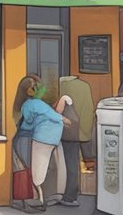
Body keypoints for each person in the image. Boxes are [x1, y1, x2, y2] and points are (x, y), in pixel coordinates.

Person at [14, 75, 70, 207]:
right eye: (39, 86)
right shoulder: (35, 104)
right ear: (30, 90)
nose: (43, 89)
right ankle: (38, 197)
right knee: (38, 169)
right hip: (37, 139)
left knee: (37, 167)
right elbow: (51, 114)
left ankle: (39, 196)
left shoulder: (28, 105)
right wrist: (64, 119)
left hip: (33, 138)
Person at [54, 93, 82, 207]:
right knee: (73, 166)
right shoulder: (75, 110)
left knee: (71, 167)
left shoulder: (65, 100)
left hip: (69, 140)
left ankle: (69, 197)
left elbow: (58, 113)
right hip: (74, 139)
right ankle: (71, 196)